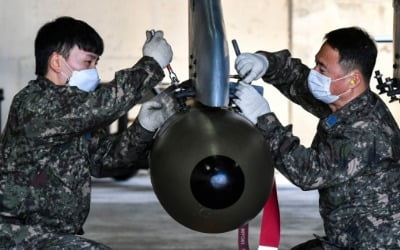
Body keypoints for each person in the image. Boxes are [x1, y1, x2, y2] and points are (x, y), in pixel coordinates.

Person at [0, 16, 178, 249]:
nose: (94, 70)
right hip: (14, 234)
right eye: (88, 62)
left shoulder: (71, 117)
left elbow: (106, 159)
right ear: (56, 62)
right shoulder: (36, 103)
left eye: (96, 63)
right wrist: (151, 63)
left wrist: (144, 126)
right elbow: (106, 105)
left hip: (47, 235)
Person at [233, 26, 400, 249]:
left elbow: (308, 172)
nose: (315, 73)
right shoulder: (344, 100)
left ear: (353, 80)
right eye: (317, 63)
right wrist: (265, 63)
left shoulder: (366, 130)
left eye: (322, 69)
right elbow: (298, 79)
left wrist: (263, 119)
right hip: (344, 238)